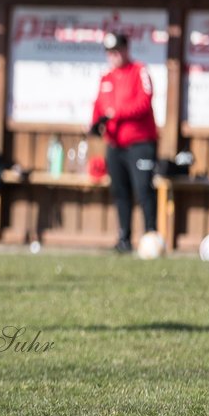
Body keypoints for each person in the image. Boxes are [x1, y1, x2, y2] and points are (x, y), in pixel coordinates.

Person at [89, 31, 158, 253]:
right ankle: (124, 239)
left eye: (117, 51)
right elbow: (99, 106)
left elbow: (144, 102)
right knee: (120, 192)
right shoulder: (106, 78)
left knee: (143, 190)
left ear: (126, 50)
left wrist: (116, 113)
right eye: (110, 52)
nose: (113, 56)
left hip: (140, 143)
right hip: (115, 145)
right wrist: (95, 124)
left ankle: (151, 237)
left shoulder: (140, 71)